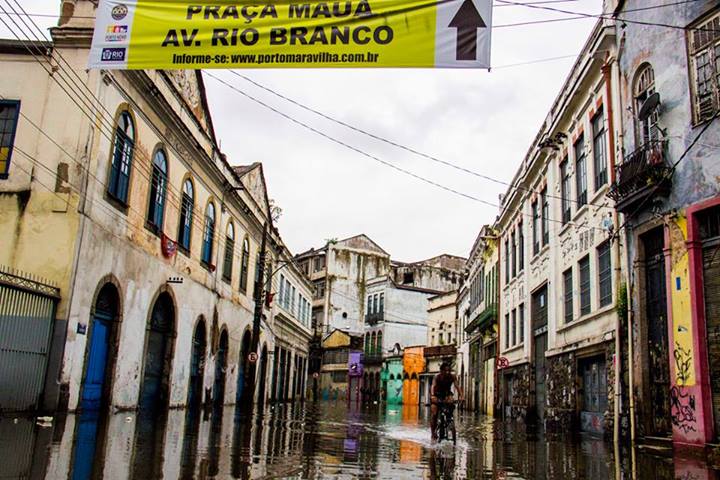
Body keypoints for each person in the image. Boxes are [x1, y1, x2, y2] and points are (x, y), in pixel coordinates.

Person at [430, 361, 463, 441]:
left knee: (451, 403)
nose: (447, 372)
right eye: (445, 370)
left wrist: (461, 396)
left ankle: (449, 421)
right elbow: (433, 386)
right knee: (434, 413)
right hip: (437, 395)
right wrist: (432, 395)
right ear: (441, 371)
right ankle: (433, 433)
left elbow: (457, 386)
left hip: (447, 394)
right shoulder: (437, 377)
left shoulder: (452, 377)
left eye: (449, 370)